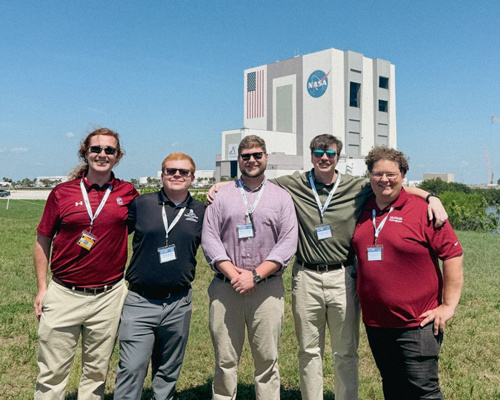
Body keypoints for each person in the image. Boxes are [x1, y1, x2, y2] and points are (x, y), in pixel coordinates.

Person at [208, 133, 448, 400]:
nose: (324, 158)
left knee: (345, 351)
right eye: (319, 153)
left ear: (338, 157)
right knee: (309, 351)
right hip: (306, 276)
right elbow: (254, 181)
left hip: (343, 275)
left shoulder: (357, 187)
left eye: (330, 154)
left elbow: (393, 184)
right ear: (311, 155)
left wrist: (431, 197)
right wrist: (222, 186)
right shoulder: (293, 184)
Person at [33, 128, 138, 399]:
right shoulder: (61, 193)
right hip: (64, 293)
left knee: (96, 373)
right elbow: (43, 238)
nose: (102, 154)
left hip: (108, 296)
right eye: (96, 149)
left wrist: (220, 188)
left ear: (118, 157)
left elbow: (162, 205)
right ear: (85, 152)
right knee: (51, 373)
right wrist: (42, 288)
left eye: (109, 150)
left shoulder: (128, 193)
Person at [352, 147, 464, 400]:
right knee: (392, 385)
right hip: (377, 322)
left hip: (418, 322)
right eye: (378, 174)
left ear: (403, 175)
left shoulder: (424, 211)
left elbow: (453, 256)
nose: (384, 180)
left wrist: (448, 306)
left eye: (391, 174)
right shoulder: (362, 207)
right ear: (369, 176)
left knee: (423, 389)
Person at [202, 135, 298, 400]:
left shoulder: (281, 197)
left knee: (267, 359)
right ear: (238, 161)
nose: (252, 160)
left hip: (267, 289)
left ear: (266, 158)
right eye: (246, 156)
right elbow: (209, 239)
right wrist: (235, 275)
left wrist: (255, 275)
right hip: (226, 288)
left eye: (257, 155)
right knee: (225, 359)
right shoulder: (221, 195)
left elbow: (288, 242)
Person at [114, 152, 205, 400]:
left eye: (183, 172)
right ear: (162, 175)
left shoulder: (201, 210)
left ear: (192, 178)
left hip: (179, 302)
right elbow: (114, 234)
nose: (177, 175)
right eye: (171, 171)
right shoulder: (142, 204)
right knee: (132, 368)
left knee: (167, 372)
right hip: (140, 301)